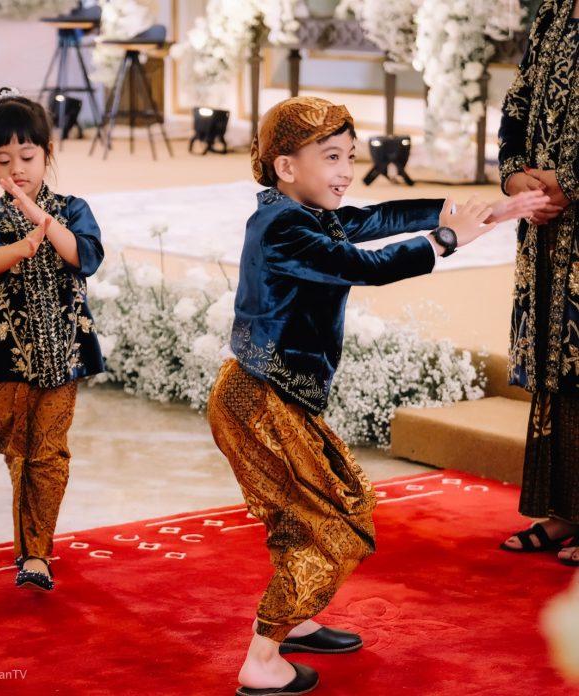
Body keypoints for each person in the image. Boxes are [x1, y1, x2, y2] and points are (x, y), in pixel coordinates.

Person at [206, 95, 548, 696]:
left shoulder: (303, 212)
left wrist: (484, 211)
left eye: (351, 157)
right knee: (341, 518)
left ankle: (296, 620)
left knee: (302, 515)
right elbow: (367, 264)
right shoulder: (285, 227)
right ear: (286, 167)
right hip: (259, 402)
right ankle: (260, 662)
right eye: (331, 157)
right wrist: (447, 240)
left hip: (270, 397)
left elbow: (379, 219)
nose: (345, 171)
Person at [0, 87, 104, 591]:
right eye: (3, 160)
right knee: (12, 445)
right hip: (10, 360)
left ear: (48, 154)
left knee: (47, 452)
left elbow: (84, 256)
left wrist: (44, 224)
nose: (17, 169)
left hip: (64, 357)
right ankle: (31, 543)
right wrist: (20, 244)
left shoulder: (73, 210)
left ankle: (36, 555)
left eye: (27, 156)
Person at [498, 0, 579, 566]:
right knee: (558, 362)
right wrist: (514, 177)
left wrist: (569, 181)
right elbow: (517, 102)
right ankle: (565, 511)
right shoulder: (553, 12)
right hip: (547, 226)